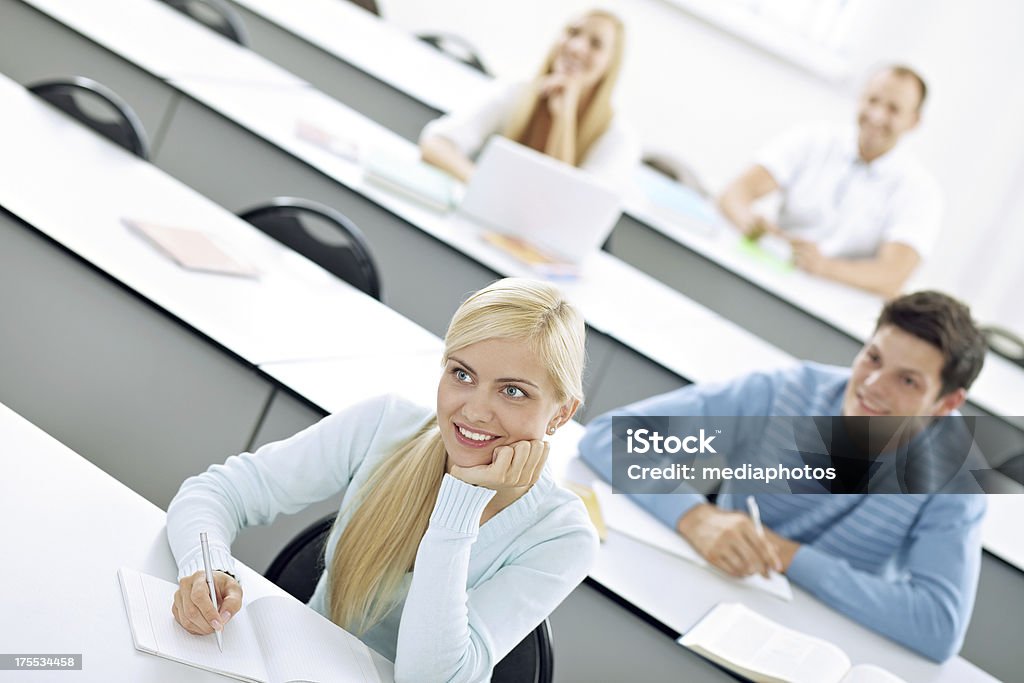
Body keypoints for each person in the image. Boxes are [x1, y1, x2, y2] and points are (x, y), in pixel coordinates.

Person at [167, 278, 598, 680]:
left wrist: (461, 500)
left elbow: (428, 678)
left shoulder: (562, 536)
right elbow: (216, 492)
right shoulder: (385, 424)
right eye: (462, 374)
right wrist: (207, 569)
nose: (475, 411)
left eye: (512, 391)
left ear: (561, 413)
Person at [579, 290, 988, 662]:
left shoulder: (954, 477)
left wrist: (784, 554)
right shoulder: (785, 392)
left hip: (822, 644)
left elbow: (939, 627)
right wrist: (695, 516)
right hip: (708, 597)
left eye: (908, 380)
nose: (873, 386)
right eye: (873, 358)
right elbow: (610, 435)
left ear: (946, 403)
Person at [718, 65, 941, 298]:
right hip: (770, 277)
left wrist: (824, 267)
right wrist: (750, 222)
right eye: (872, 100)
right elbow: (734, 193)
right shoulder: (813, 139)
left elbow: (893, 275)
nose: (877, 115)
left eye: (893, 109)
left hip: (840, 305)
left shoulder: (920, 191)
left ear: (914, 121)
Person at [419, 9, 639, 189]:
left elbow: (567, 205)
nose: (577, 48)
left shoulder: (617, 137)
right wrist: (486, 188)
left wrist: (564, 117)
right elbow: (435, 143)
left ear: (611, 64)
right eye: (573, 33)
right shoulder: (519, 91)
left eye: (596, 44)